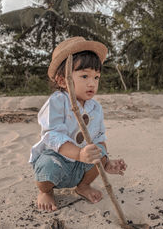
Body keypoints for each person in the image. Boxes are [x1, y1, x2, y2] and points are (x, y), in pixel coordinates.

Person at [29, 37, 127, 212]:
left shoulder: (95, 108)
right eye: (84, 76)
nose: (92, 83)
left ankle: (82, 186)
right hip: (58, 160)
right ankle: (46, 191)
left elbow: (99, 137)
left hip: (81, 165)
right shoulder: (57, 101)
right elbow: (52, 135)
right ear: (62, 80)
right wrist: (78, 153)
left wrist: (106, 162)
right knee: (47, 166)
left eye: (96, 77)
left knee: (101, 152)